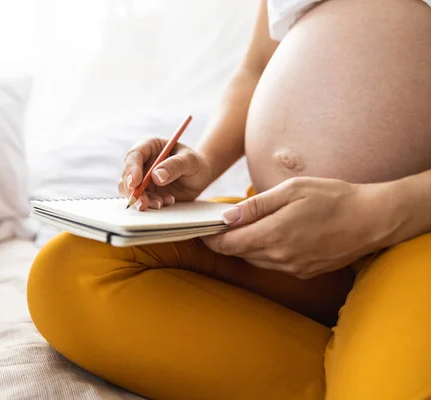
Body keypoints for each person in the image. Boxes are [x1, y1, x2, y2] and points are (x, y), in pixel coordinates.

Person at [27, 0, 431, 398]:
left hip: (413, 234)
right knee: (70, 273)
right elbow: (255, 71)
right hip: (273, 225)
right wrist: (203, 161)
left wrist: (374, 213)